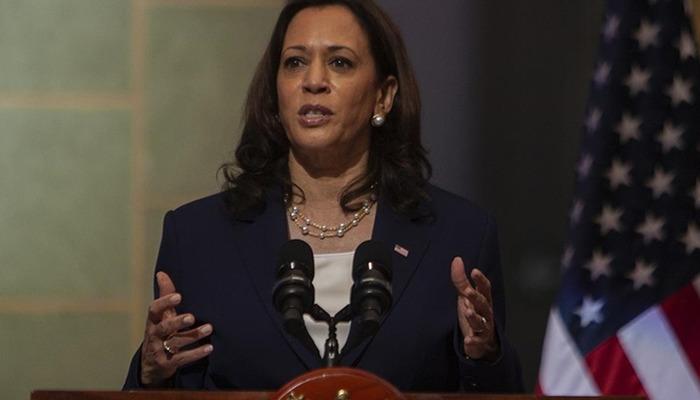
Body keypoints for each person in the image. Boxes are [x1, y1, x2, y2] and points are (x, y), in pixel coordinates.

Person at [123, 0, 522, 392]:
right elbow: (166, 384)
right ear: (275, 91)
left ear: (383, 96)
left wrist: (484, 355)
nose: (313, 81)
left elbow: (499, 390)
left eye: (340, 62)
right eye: (295, 62)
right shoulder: (198, 237)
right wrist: (151, 373)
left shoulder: (459, 236)